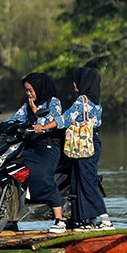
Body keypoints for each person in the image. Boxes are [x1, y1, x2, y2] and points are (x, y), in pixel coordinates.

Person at [0, 72, 66, 233]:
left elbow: (51, 122)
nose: (29, 94)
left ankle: (60, 220)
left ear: (39, 88)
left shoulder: (53, 102)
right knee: (15, 173)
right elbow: (17, 118)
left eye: (31, 90)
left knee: (42, 176)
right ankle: (10, 218)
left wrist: (36, 111)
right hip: (30, 145)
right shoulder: (27, 104)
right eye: (27, 90)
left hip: (48, 147)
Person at [34, 67, 112, 231]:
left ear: (83, 83)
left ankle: (105, 220)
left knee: (88, 182)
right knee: (77, 180)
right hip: (91, 142)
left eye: (77, 81)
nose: (74, 84)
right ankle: (83, 221)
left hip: (83, 144)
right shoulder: (96, 102)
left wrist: (44, 127)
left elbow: (65, 119)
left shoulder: (82, 100)